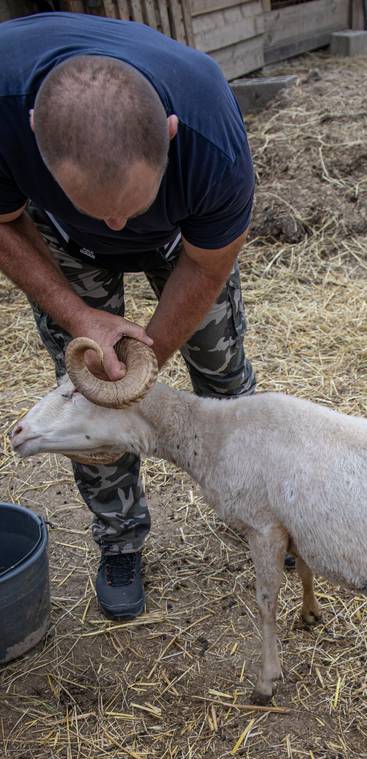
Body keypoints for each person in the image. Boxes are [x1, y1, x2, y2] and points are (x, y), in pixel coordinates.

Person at [0, 12, 256, 620]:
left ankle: (257, 506)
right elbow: (3, 222)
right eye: (100, 208)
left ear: (170, 132)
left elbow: (208, 264)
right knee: (91, 390)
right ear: (33, 132)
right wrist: (76, 314)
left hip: (181, 243)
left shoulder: (211, 136)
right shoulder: (3, 106)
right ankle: (120, 539)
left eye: (128, 207)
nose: (117, 226)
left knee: (222, 376)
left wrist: (145, 364)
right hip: (62, 246)